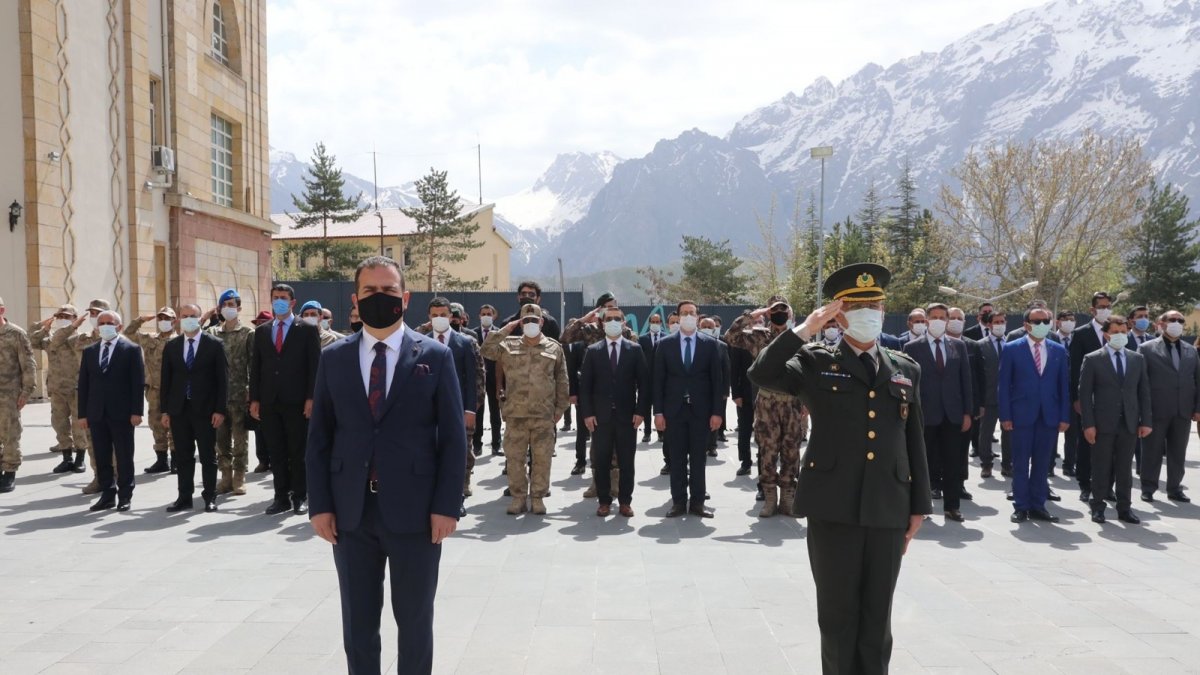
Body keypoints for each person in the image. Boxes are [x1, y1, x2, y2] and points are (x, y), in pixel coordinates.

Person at [748, 263, 930, 675]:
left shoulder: (905, 369)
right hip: (833, 509)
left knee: (877, 619)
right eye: (858, 306)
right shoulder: (813, 362)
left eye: (877, 305)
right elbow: (762, 373)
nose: (871, 313)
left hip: (888, 507)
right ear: (839, 315)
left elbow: (913, 439)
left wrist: (919, 505)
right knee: (837, 617)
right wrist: (803, 330)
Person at [306, 256, 467, 675]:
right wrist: (319, 505)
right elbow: (319, 438)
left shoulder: (434, 355)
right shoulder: (334, 357)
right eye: (371, 291)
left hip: (416, 514)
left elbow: (453, 439)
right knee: (358, 625)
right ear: (356, 299)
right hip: (350, 514)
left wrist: (448, 506)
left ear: (405, 297)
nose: (381, 298)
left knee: (414, 622)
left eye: (389, 291)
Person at [481, 303, 570, 515]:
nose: (531, 324)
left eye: (534, 320)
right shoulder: (508, 345)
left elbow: (562, 380)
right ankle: (518, 498)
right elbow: (486, 350)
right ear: (521, 323)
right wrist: (507, 328)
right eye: (526, 320)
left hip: (544, 414)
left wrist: (560, 409)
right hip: (515, 414)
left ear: (542, 322)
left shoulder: (554, 348)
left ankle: (538, 497)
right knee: (514, 459)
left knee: (542, 459)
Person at [725, 297, 807, 517]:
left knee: (791, 451)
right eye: (775, 310)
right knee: (767, 450)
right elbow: (730, 336)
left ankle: (788, 497)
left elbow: (809, 373)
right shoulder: (760, 336)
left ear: (791, 314)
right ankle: (769, 498)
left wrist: (807, 403)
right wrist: (757, 313)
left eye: (784, 310)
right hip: (767, 402)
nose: (779, 314)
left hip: (791, 402)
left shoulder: (800, 338)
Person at [250, 283, 321, 516]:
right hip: (270, 401)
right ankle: (281, 497)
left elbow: (314, 368)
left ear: (292, 302)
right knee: (276, 451)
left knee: (297, 451)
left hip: (297, 401)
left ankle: (300, 495)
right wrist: (255, 399)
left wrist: (311, 398)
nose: (278, 301)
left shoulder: (307, 329)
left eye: (283, 297)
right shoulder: (262, 331)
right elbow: (257, 367)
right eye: (274, 297)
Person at [653, 300, 724, 518]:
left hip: (700, 412)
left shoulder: (710, 344)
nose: (688, 317)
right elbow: (658, 381)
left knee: (698, 459)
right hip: (674, 410)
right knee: (676, 458)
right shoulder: (665, 344)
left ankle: (698, 502)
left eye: (692, 313)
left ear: (698, 316)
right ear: (678, 316)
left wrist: (717, 412)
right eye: (684, 313)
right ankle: (678, 501)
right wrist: (658, 412)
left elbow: (717, 381)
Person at [999, 307, 1070, 523]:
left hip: (1049, 416)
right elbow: (1004, 385)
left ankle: (1038, 505)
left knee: (1042, 463)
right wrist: (1005, 416)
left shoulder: (1058, 350)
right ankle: (1021, 506)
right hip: (1021, 415)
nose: (1042, 324)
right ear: (1026, 324)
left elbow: (1063, 386)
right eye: (1037, 320)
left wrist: (1064, 416)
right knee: (1020, 462)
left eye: (1046, 320)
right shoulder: (1011, 348)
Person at [903, 303, 973, 522]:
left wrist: (967, 412)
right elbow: (907, 382)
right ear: (925, 320)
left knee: (953, 461)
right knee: (921, 462)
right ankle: (920, 507)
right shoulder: (912, 347)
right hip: (924, 414)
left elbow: (966, 381)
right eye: (933, 317)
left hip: (952, 414)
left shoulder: (958, 346)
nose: (938, 321)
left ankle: (952, 507)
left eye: (942, 317)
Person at [1078, 316, 1152, 524]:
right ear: (1106, 334)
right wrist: (1088, 424)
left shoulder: (1136, 359)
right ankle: (1098, 506)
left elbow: (1144, 392)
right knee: (1101, 466)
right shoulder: (1093, 359)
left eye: (1124, 331)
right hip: (1102, 423)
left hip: (1129, 422)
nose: (1121, 335)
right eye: (1116, 331)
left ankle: (1124, 508)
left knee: (1124, 468)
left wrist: (1146, 421)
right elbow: (1085, 394)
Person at [578, 306, 650, 517]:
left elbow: (644, 384)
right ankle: (604, 501)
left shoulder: (634, 349)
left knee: (627, 461)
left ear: (624, 322)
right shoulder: (593, 351)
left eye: (617, 318)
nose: (613, 322)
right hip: (600, 417)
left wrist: (641, 412)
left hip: (628, 417)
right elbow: (585, 387)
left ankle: (625, 501)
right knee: (601, 461)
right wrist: (588, 414)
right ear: (602, 322)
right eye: (608, 319)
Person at [160, 304, 228, 512]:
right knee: (183, 455)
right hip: (179, 409)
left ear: (201, 318)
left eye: (193, 316)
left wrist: (220, 410)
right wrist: (165, 411)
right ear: (178, 319)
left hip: (206, 410)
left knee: (208, 455)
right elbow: (166, 381)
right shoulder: (172, 346)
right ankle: (184, 497)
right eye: (185, 316)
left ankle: (209, 496)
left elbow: (222, 380)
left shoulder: (215, 344)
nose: (189, 319)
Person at [417, 297, 481, 515]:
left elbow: (472, 380)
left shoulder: (465, 343)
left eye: (443, 315)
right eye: (434, 315)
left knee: (455, 456)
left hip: (456, 410)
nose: (439, 319)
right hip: (426, 412)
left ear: (451, 317)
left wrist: (470, 410)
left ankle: (456, 499)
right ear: (428, 317)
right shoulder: (419, 342)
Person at [78, 310, 145, 512]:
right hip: (97, 413)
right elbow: (84, 384)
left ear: (119, 326)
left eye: (110, 322)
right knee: (101, 456)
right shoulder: (89, 351)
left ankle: (125, 495)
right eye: (102, 323)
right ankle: (107, 494)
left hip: (122, 413)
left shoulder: (131, 349)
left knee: (124, 456)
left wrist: (137, 412)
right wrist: (83, 414)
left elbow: (137, 383)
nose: (105, 326)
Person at [52, 298, 112, 494]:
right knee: (93, 440)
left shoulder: (119, 340)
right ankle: (99, 478)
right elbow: (56, 341)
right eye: (92, 314)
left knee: (114, 442)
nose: (94, 317)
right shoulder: (82, 339)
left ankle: (117, 479)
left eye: (98, 313)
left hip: (113, 399)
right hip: (90, 397)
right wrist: (72, 326)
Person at [1139, 311, 1200, 503]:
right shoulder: (1146, 348)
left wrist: (1197, 408)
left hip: (1183, 410)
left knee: (1178, 451)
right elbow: (1142, 382)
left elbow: (1198, 381)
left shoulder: (1191, 350)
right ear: (1161, 323)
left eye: (1180, 321)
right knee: (1152, 450)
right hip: (1156, 410)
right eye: (1172, 320)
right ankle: (1148, 487)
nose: (1177, 323)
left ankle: (1174, 488)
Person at [205, 289, 255, 495]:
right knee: (220, 438)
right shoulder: (212, 333)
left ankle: (239, 477)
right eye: (225, 305)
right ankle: (225, 476)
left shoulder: (248, 333)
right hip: (217, 396)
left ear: (239, 308)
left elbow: (253, 364)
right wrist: (205, 316)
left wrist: (251, 391)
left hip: (239, 394)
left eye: (232, 305)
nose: (229, 308)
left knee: (240, 438)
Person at [30, 304, 89, 475]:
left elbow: (61, 339)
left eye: (66, 316)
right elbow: (32, 340)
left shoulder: (78, 339)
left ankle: (80, 458)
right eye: (59, 316)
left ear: (74, 319)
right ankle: (66, 457)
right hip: (57, 389)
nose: (62, 319)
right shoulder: (51, 339)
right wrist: (42, 326)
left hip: (75, 388)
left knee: (79, 424)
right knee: (59, 424)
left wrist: (73, 328)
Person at [1069, 292, 1113, 503]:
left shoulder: (1118, 330)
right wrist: (1076, 399)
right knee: (1087, 443)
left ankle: (1108, 486)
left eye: (1108, 306)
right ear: (1093, 310)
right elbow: (1074, 368)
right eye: (1101, 306)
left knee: (1113, 444)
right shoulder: (1081, 334)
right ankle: (1085, 484)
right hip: (1088, 399)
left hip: (1112, 400)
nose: (1105, 309)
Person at [124, 306, 177, 474]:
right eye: (160, 318)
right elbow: (128, 334)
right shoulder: (150, 339)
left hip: (173, 389)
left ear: (174, 321)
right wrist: (140, 320)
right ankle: (161, 460)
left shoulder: (179, 340)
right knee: (156, 424)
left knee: (175, 425)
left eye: (166, 319)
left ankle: (176, 460)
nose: (163, 322)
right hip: (153, 390)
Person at [0, 296, 36, 493]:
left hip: (9, 394)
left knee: (10, 433)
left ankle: (9, 472)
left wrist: (26, 391)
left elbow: (28, 364)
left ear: (2, 311)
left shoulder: (16, 334)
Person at [976, 310, 1011, 479]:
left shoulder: (1012, 344)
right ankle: (987, 464)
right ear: (989, 325)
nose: (999, 325)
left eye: (1002, 321)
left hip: (1010, 398)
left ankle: (1007, 465)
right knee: (986, 434)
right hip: (988, 398)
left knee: (1009, 433)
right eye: (996, 322)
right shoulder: (980, 345)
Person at [473, 304, 502, 456]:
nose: (486, 316)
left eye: (489, 313)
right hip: (478, 379)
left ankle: (496, 444)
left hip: (494, 378)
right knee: (478, 412)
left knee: (495, 412)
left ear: (494, 315)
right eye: (483, 313)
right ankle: (477, 444)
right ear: (479, 316)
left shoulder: (499, 333)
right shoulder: (472, 333)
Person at [637, 311, 667, 443]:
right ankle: (647, 432)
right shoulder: (642, 339)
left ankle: (661, 433)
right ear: (649, 323)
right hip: (646, 379)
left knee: (660, 407)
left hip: (662, 379)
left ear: (661, 323)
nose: (655, 324)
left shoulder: (666, 338)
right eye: (653, 322)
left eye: (657, 322)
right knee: (646, 407)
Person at [1056, 310, 1079, 476]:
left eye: (1072, 319)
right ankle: (1049, 464)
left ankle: (1069, 464)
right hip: (1053, 392)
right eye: (1066, 320)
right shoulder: (1050, 338)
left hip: (1073, 393)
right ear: (1058, 322)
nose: (1069, 322)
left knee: (1073, 431)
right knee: (1051, 430)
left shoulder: (1078, 339)